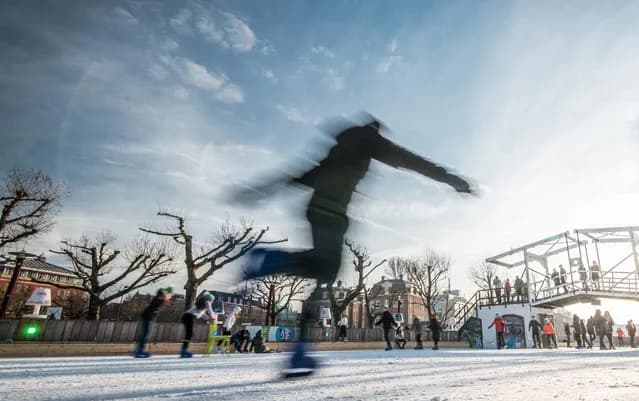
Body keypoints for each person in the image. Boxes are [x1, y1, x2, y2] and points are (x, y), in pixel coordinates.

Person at [235, 115, 474, 376]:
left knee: (322, 274)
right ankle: (270, 262)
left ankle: (300, 352)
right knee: (325, 269)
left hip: (316, 209)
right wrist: (448, 178)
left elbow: (302, 174)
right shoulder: (369, 140)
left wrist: (264, 189)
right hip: (333, 213)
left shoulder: (335, 151)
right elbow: (409, 160)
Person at [134, 287, 174, 358]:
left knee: (146, 333)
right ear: (161, 295)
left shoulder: (159, 299)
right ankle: (139, 350)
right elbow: (162, 301)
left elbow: (166, 301)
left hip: (149, 318)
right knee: (146, 333)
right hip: (147, 317)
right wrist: (168, 299)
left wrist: (170, 302)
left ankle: (138, 349)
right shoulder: (157, 299)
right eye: (164, 294)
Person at [180, 291, 216, 358]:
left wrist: (208, 320)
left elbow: (204, 315)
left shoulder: (201, 305)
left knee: (189, 334)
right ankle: (183, 351)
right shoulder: (207, 302)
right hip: (189, 317)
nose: (212, 302)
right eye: (212, 301)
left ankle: (183, 351)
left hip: (186, 316)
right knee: (189, 334)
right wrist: (213, 317)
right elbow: (210, 310)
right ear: (210, 299)